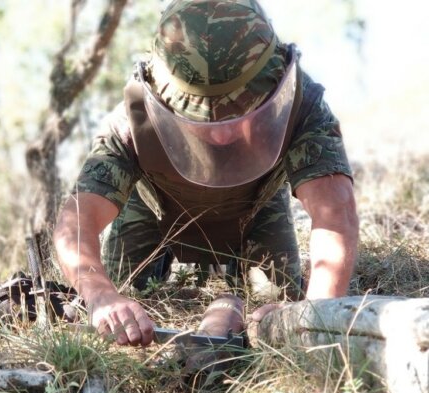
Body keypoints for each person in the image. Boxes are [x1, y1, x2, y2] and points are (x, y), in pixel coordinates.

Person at [53, 0, 359, 347]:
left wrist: (316, 313)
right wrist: (100, 296)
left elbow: (335, 212)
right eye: (200, 118)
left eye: (244, 110)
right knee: (126, 300)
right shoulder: (130, 122)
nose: (222, 135)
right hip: (155, 208)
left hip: (257, 208)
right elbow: (78, 219)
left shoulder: (303, 105)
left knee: (281, 302)